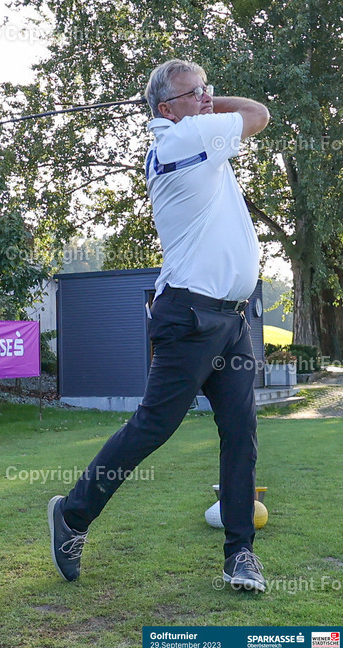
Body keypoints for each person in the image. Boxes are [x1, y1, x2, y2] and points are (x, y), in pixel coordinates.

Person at [48, 58, 271, 592]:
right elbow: (259, 113)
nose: (207, 98)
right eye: (196, 92)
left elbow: (241, 117)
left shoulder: (191, 137)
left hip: (232, 319)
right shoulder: (183, 139)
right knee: (153, 427)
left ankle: (240, 554)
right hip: (190, 316)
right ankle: (72, 517)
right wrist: (211, 106)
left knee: (241, 433)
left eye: (208, 90)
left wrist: (202, 99)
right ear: (167, 109)